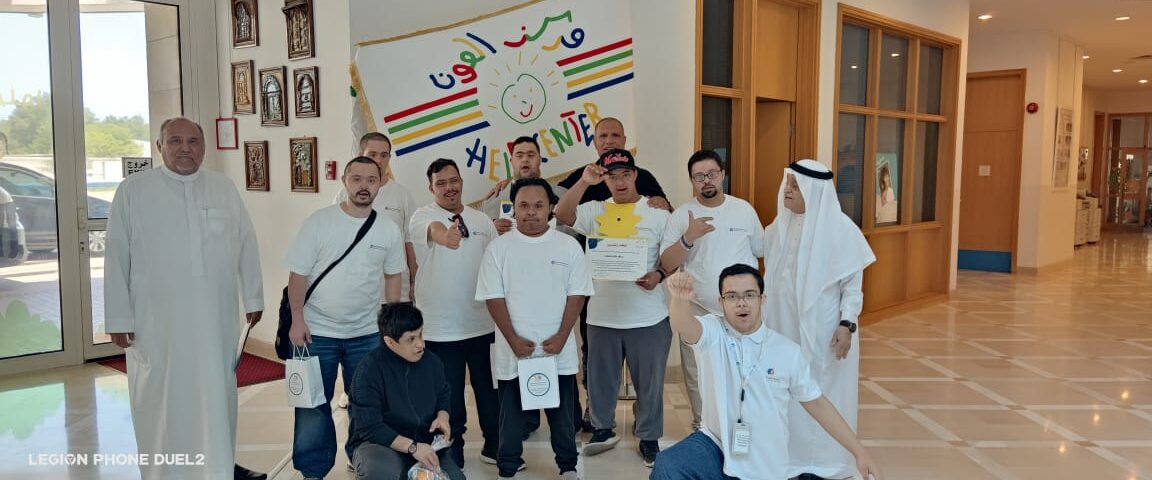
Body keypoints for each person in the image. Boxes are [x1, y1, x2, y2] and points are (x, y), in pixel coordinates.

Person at [105, 117, 267, 480]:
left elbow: (246, 243)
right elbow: (115, 256)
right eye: (175, 141)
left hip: (215, 317)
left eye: (193, 141)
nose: (185, 148)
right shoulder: (133, 191)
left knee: (215, 395)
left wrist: (253, 297)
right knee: (160, 397)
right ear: (159, 146)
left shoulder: (223, 188)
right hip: (155, 320)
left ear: (204, 147)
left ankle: (218, 469)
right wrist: (117, 317)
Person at [650, 266, 882, 480]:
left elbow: (818, 404)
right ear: (721, 302)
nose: (741, 303)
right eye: (732, 296)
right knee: (669, 465)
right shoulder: (713, 332)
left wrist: (859, 451)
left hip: (763, 463)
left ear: (762, 299)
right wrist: (679, 299)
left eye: (749, 295)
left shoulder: (787, 352)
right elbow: (683, 325)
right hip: (715, 445)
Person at [284, 156, 405, 480]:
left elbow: (393, 276)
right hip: (315, 333)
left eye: (371, 180)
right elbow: (298, 275)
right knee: (312, 404)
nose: (364, 186)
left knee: (366, 403)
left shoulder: (387, 229)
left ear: (380, 185)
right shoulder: (319, 222)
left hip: (366, 334)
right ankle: (313, 470)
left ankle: (362, 457)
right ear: (344, 182)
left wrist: (389, 326)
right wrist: (297, 319)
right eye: (356, 179)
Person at [555, 149, 671, 467]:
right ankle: (602, 429)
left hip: (648, 315)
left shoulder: (657, 212)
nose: (619, 182)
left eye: (625, 175)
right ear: (604, 180)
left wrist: (659, 275)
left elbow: (671, 254)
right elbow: (562, 214)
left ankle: (648, 437)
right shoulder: (595, 209)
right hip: (602, 315)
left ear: (635, 176)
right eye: (612, 176)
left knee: (649, 384)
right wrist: (584, 181)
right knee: (600, 380)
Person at [763, 160, 876, 480]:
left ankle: (826, 463)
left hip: (825, 329)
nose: (787, 190)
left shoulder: (841, 230)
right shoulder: (779, 225)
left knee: (823, 389)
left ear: (814, 192)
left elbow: (852, 286)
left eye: (795, 186)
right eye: (787, 183)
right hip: (782, 326)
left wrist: (846, 324)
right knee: (785, 387)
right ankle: (790, 459)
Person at [475, 178, 593, 479]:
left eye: (538, 205)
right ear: (513, 208)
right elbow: (493, 298)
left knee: (562, 414)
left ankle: (567, 466)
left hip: (557, 348)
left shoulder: (568, 246)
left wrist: (563, 336)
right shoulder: (498, 248)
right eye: (523, 205)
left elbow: (577, 294)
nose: (531, 212)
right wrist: (513, 339)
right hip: (514, 349)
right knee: (511, 417)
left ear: (551, 207)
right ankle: (508, 467)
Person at [480, 136, 587, 436]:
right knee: (517, 379)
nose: (525, 159)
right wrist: (494, 228)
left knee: (562, 377)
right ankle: (525, 424)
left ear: (540, 159)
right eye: (519, 155)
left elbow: (574, 232)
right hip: (517, 301)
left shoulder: (561, 195)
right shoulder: (495, 198)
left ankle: (567, 429)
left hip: (553, 297)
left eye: (531, 154)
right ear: (511, 160)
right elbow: (485, 242)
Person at [659, 149, 764, 430]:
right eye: (699, 176)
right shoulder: (682, 215)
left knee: (745, 368)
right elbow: (667, 263)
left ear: (723, 175)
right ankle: (702, 426)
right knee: (697, 371)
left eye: (712, 174)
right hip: (698, 306)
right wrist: (688, 238)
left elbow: (761, 249)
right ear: (692, 181)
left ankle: (743, 426)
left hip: (741, 308)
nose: (707, 180)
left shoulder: (743, 209)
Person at [409, 158, 500, 468]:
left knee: (489, 390)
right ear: (431, 188)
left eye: (453, 181)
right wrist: (444, 236)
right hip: (441, 328)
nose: (449, 188)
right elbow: (434, 230)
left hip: (483, 323)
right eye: (441, 183)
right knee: (449, 396)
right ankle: (452, 449)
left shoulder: (482, 220)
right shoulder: (423, 216)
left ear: (461, 182)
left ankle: (494, 445)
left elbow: (496, 264)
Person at [334, 132, 417, 410]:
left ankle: (396, 403)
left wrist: (414, 280)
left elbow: (409, 241)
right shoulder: (343, 195)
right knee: (359, 350)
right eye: (372, 155)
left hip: (395, 291)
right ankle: (355, 392)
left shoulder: (402, 194)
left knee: (396, 347)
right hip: (358, 291)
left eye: (384, 155)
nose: (379, 161)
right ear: (361, 154)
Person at [347, 303, 464, 480]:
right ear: (390, 342)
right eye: (411, 339)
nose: (420, 344)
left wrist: (443, 416)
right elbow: (370, 427)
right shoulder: (369, 370)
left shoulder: (432, 362)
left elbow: (443, 393)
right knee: (379, 471)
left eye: (420, 335)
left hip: (424, 444)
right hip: (381, 446)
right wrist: (412, 447)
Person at [556, 117, 672, 211]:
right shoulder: (582, 176)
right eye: (603, 136)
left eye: (615, 135)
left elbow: (669, 212)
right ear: (595, 142)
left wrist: (664, 206)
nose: (609, 141)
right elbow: (555, 208)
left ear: (624, 140)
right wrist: (583, 183)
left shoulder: (643, 176)